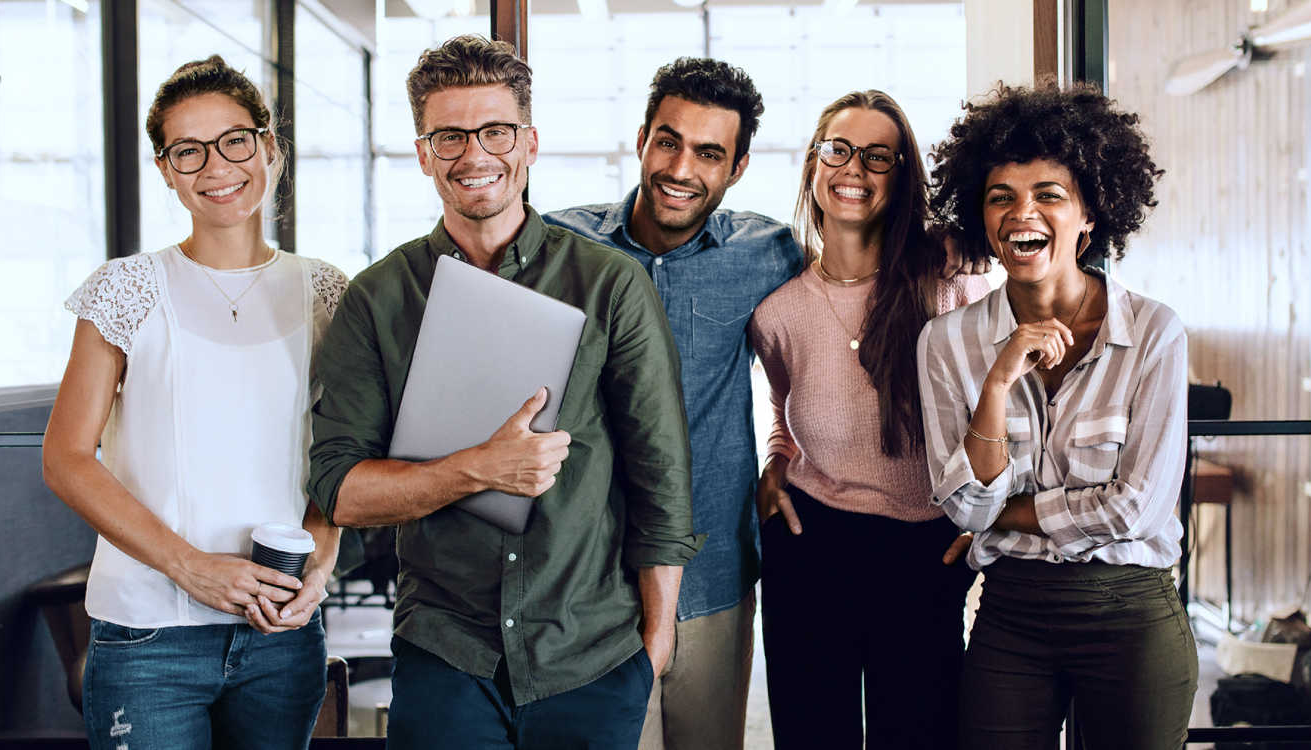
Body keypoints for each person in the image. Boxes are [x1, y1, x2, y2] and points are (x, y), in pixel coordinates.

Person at [306, 35, 698, 750]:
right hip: (446, 653)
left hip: (593, 652)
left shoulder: (611, 285)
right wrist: (478, 470)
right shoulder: (379, 299)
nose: (474, 154)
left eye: (495, 131)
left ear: (530, 143)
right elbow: (339, 489)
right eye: (449, 136)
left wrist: (655, 644)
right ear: (423, 153)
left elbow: (661, 479)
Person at [41, 55, 344, 750]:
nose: (217, 166)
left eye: (235, 141)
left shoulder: (326, 291)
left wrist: (320, 562)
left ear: (268, 147)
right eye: (189, 150)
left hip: (279, 639)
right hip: (149, 636)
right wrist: (189, 566)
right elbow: (66, 459)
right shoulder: (126, 289)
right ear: (166, 170)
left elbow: (340, 453)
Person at [916, 82, 1195, 750]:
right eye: (1000, 197)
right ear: (980, 217)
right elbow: (959, 508)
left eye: (1048, 194)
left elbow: (1136, 511)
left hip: (1131, 611)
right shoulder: (947, 342)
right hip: (1011, 616)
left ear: (1090, 214)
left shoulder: (1154, 332)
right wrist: (1000, 377)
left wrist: (1003, 512)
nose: (1022, 213)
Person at [544, 57, 802, 750]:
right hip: (586, 584)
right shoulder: (559, 246)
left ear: (737, 167)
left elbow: (832, 340)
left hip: (712, 575)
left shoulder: (770, 253)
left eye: (709, 152)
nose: (681, 167)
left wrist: (785, 450)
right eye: (669, 140)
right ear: (641, 139)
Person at [747, 89, 988, 750]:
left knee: (919, 734)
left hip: (924, 548)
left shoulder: (950, 282)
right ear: (814, 165)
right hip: (812, 543)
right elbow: (782, 405)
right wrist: (775, 461)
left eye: (878, 158)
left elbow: (1006, 404)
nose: (854, 169)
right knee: (810, 734)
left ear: (902, 177)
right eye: (840, 150)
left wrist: (990, 515)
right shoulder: (778, 311)